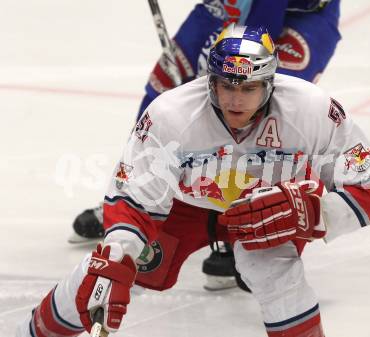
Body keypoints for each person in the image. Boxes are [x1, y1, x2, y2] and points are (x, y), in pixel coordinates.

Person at [17, 23, 370, 337]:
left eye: (248, 88)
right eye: (226, 85)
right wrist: (119, 254)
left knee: (277, 277)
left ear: (270, 84)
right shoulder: (169, 114)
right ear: (211, 80)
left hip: (265, 214)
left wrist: (316, 212)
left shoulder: (314, 110)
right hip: (181, 210)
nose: (235, 99)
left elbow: (368, 182)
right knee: (105, 276)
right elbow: (133, 202)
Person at [70, 0, 342, 291]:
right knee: (165, 86)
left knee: (256, 99)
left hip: (298, 13)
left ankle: (241, 220)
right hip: (227, 5)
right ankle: (137, 196)